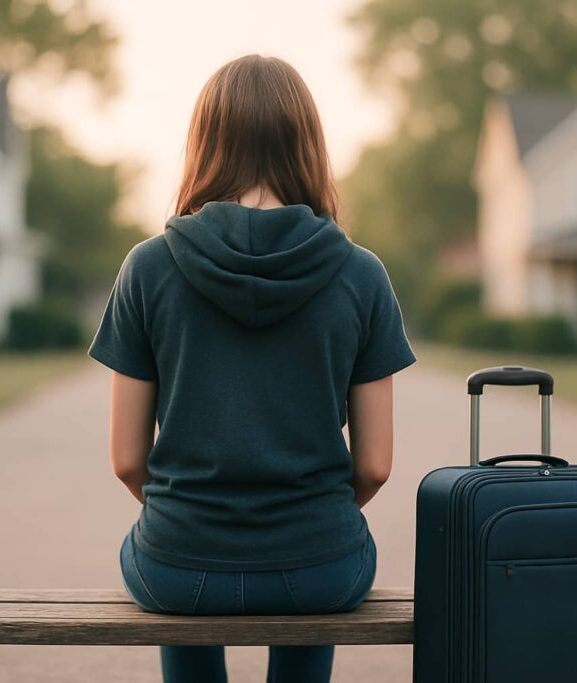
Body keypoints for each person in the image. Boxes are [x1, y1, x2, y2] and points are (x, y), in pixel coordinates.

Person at [88, 53, 416, 683]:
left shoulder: (149, 267)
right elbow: (375, 464)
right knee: (319, 567)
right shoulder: (361, 274)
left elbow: (127, 459)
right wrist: (301, 529)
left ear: (205, 143)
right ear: (308, 146)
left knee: (176, 570)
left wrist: (194, 524)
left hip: (178, 564)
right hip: (321, 566)